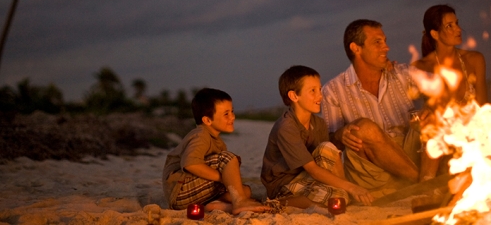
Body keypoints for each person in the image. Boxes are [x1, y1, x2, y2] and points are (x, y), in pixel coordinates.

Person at [321, 19, 422, 196]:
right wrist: (340, 134)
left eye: (385, 41)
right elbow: (331, 146)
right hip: (372, 171)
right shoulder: (333, 90)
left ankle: (427, 178)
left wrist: (429, 109)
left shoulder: (402, 74)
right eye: (378, 42)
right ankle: (422, 182)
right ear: (356, 48)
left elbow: (443, 86)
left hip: (411, 153)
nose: (386, 47)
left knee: (438, 112)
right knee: (364, 128)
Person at [261, 65, 374, 212]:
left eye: (319, 89)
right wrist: (353, 188)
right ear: (294, 96)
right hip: (283, 184)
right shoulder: (286, 127)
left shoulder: (318, 123)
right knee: (332, 196)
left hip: (306, 178)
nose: (320, 96)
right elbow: (313, 170)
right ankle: (278, 203)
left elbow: (328, 156)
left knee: (328, 151)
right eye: (312, 91)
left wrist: (347, 187)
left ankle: (343, 194)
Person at [162, 88, 270, 215]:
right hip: (179, 191)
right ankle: (239, 202)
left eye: (232, 111)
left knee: (244, 190)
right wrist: (221, 178)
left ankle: (216, 205)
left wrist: (229, 181)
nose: (233, 117)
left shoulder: (218, 142)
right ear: (207, 120)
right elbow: (190, 164)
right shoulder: (200, 135)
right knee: (227, 160)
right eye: (226, 114)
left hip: (195, 193)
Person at [411, 4, 487, 181]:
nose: (458, 29)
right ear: (435, 34)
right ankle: (426, 184)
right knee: (434, 127)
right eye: (449, 26)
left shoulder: (474, 60)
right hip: (440, 132)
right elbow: (424, 112)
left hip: (473, 128)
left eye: (457, 23)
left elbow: (483, 108)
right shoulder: (422, 68)